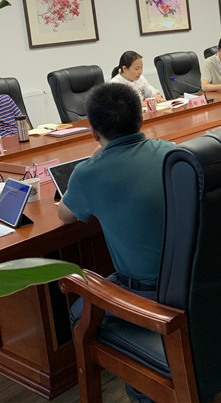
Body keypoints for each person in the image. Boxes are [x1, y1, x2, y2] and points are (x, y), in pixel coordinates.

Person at [58, 83, 175, 297]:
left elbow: (65, 216)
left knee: (77, 309)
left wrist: (92, 160)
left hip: (147, 293)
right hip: (192, 278)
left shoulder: (88, 173)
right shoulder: (172, 152)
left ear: (94, 133)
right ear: (140, 121)